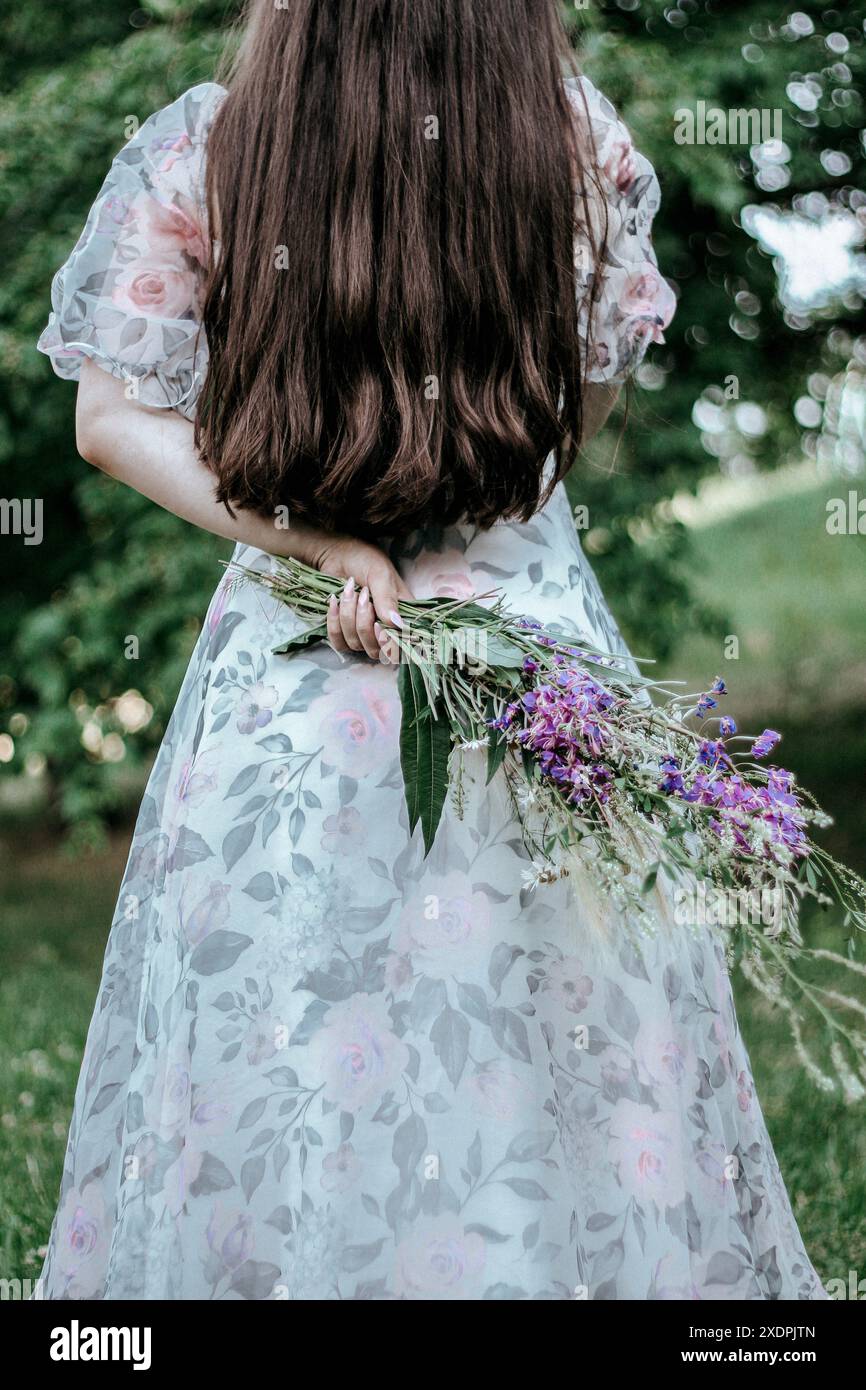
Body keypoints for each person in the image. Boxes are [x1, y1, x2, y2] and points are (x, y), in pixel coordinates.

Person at [35, 0, 824, 1300]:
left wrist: (319, 535)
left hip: (293, 651)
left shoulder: (214, 151)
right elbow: (580, 410)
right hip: (521, 624)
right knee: (551, 1015)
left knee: (297, 1015)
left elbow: (111, 419)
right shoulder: (566, 144)